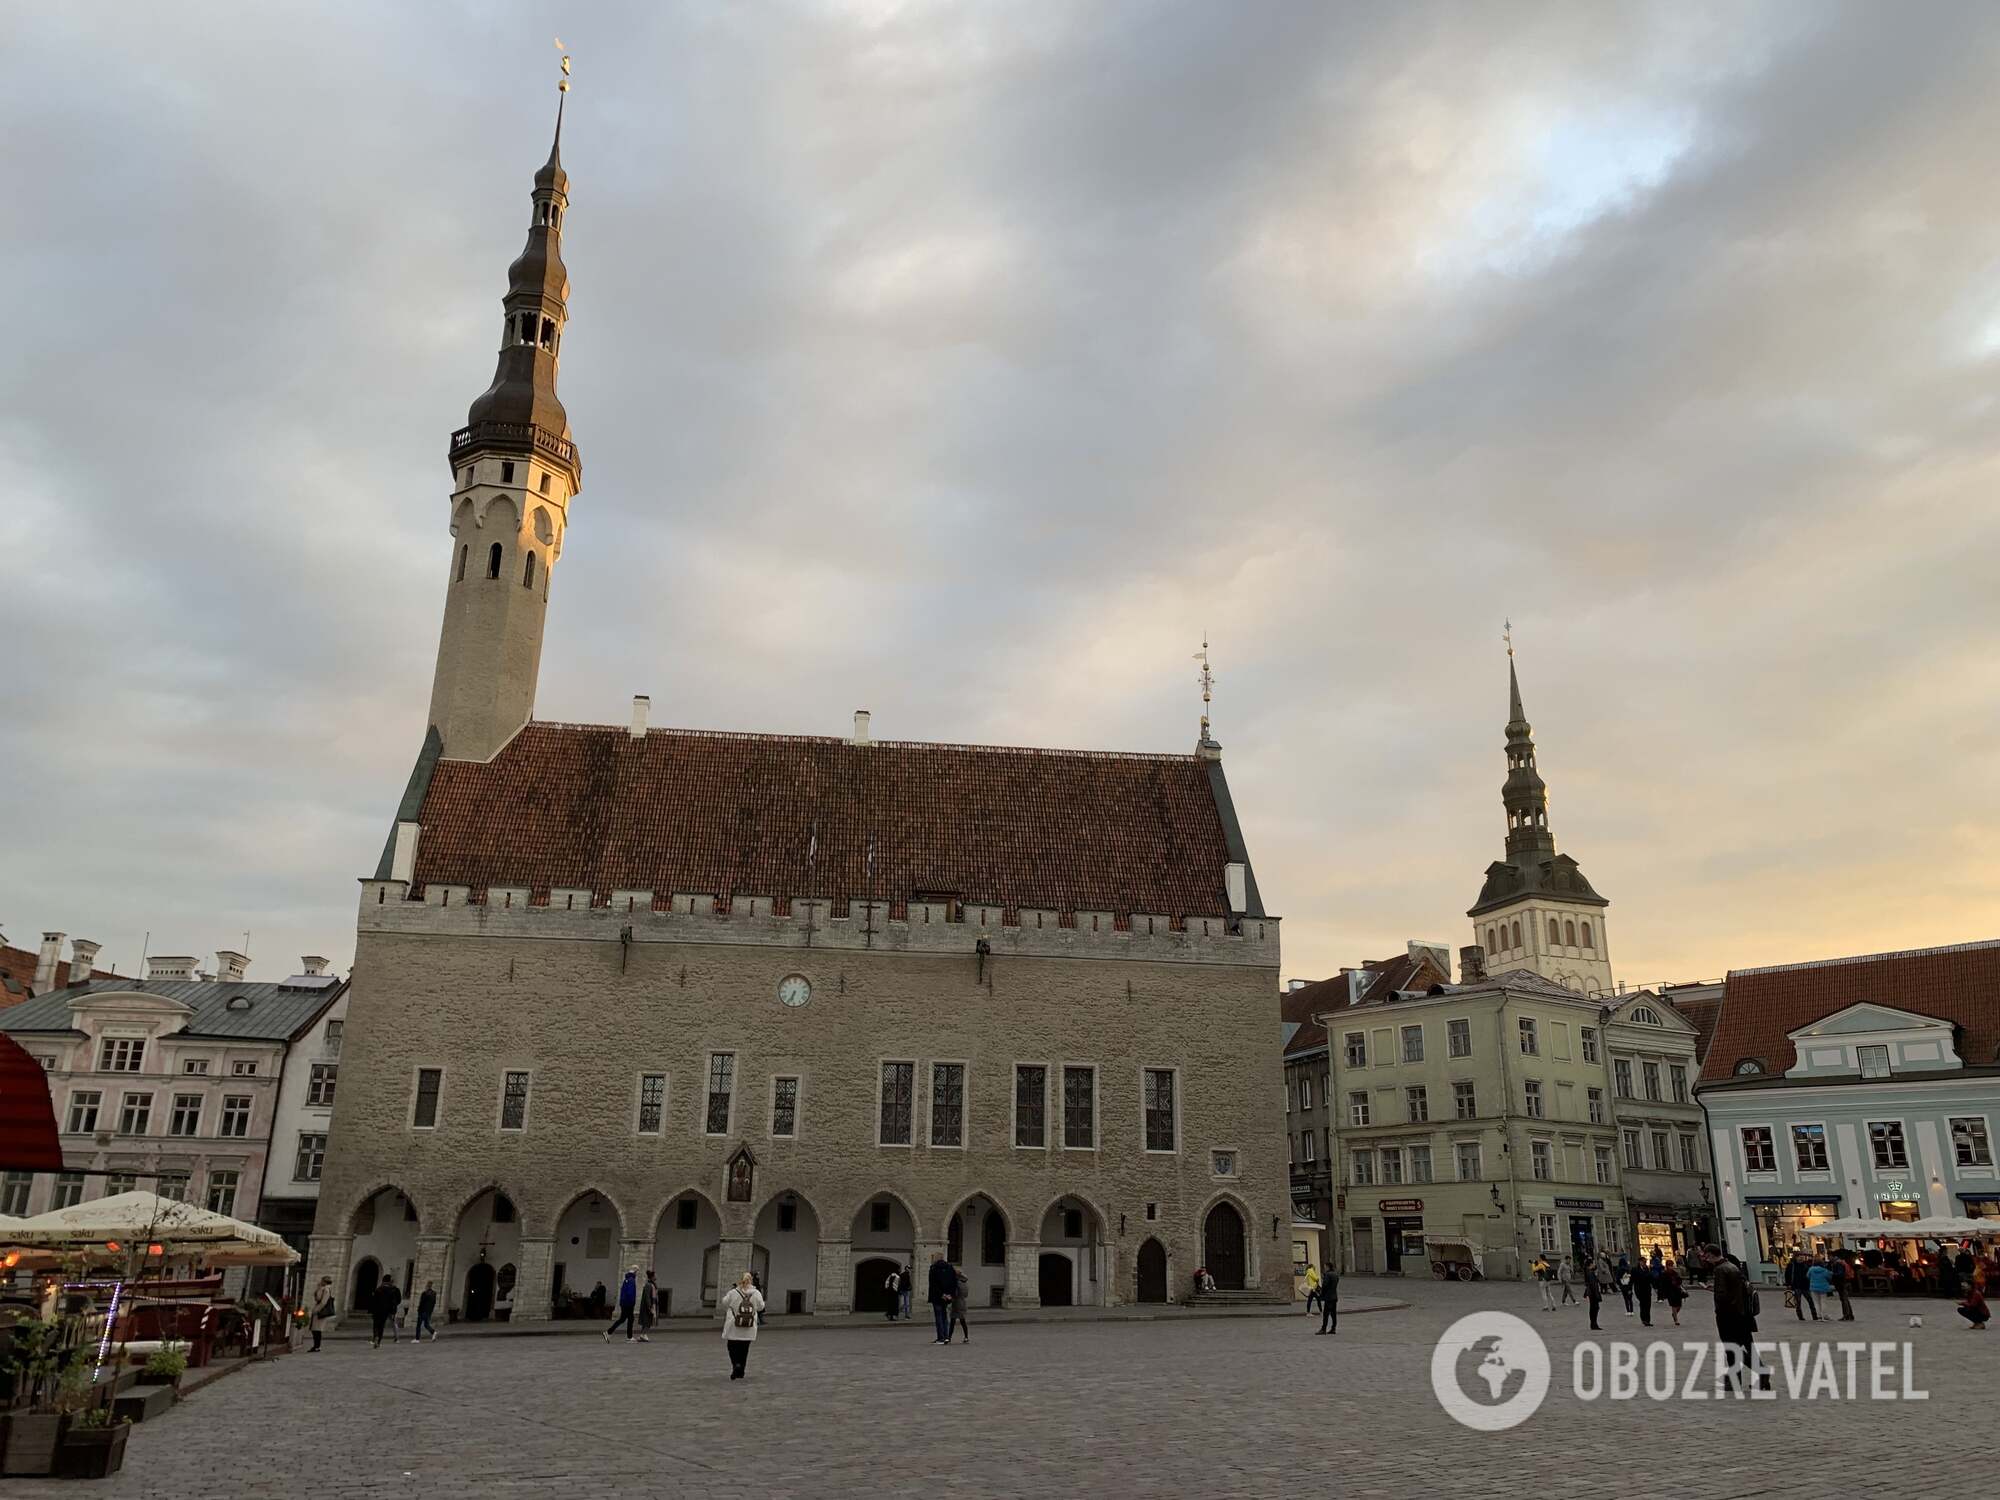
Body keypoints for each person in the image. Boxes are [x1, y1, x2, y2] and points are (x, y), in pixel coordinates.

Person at [1709, 1245, 1764, 1393]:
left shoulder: (1720, 1270)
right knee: (1748, 1346)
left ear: (1711, 1255)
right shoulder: (1733, 1266)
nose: (1705, 1259)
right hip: (1743, 1314)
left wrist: (1719, 1310)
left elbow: (1722, 1296)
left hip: (1729, 1316)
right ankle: (1757, 1378)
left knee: (1732, 1348)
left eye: (1706, 1256)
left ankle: (1756, 1375)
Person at [721, 1270, 765, 1378]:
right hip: (748, 1325)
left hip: (734, 1325)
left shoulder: (733, 1292)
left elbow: (724, 1302)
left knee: (732, 1347)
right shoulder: (756, 1293)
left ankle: (736, 1364)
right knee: (744, 1349)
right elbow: (761, 1307)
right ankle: (741, 1371)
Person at [927, 1252, 957, 1345]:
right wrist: (950, 1294)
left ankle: (941, 1338)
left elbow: (933, 1284)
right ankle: (947, 1337)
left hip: (937, 1296)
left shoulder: (934, 1268)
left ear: (936, 1258)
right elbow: (954, 1282)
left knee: (939, 1317)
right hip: (947, 1296)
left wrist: (941, 1294)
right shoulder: (950, 1267)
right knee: (945, 1316)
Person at [605, 1268, 639, 1342]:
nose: (637, 1274)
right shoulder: (631, 1280)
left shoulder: (626, 1280)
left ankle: (609, 1332)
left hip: (624, 1303)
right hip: (628, 1303)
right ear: (635, 1272)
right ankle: (628, 1337)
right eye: (637, 1272)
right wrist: (632, 1302)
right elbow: (630, 1293)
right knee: (628, 1319)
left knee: (624, 1319)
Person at [370, 1276, 402, 1348]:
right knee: (381, 1326)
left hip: (377, 1310)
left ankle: (376, 1336)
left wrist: (372, 1311)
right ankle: (378, 1341)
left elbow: (373, 1301)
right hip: (385, 1311)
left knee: (376, 1325)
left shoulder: (378, 1289)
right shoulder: (391, 1291)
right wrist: (393, 1311)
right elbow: (393, 1302)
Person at [1788, 1250, 1817, 1321]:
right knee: (1798, 1302)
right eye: (1799, 1256)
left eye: (1802, 1256)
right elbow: (1788, 1275)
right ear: (1796, 1257)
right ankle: (1800, 1316)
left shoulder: (1806, 1265)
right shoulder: (1792, 1265)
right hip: (1796, 1286)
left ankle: (1815, 1316)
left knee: (1810, 1301)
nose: (1801, 1258)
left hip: (1805, 1286)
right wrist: (1788, 1284)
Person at [309, 1277, 336, 1353]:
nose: (320, 1282)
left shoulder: (326, 1289)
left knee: (317, 1329)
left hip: (320, 1312)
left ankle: (317, 1346)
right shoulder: (323, 1289)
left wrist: (316, 1310)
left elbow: (323, 1301)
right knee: (315, 1329)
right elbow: (317, 1298)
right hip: (319, 1311)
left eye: (322, 1281)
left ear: (325, 1281)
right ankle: (316, 1346)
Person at [1658, 1259, 1685, 1326]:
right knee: (1674, 1305)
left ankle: (1674, 1314)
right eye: (1669, 1265)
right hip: (1670, 1291)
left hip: (1677, 1290)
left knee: (1679, 1305)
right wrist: (1662, 1293)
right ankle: (1676, 1320)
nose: (1671, 1267)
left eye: (1672, 1265)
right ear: (1667, 1266)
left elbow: (1679, 1281)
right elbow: (1662, 1284)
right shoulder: (1664, 1274)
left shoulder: (1675, 1273)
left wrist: (1679, 1284)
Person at [948, 1267, 972, 1344]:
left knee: (952, 1321)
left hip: (956, 1302)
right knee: (963, 1321)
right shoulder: (964, 1282)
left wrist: (950, 1297)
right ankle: (966, 1337)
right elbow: (966, 1294)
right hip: (963, 1302)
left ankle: (949, 1337)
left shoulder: (957, 1282)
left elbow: (955, 1293)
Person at [1806, 1257, 1833, 1322]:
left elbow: (1807, 1276)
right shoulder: (1824, 1270)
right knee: (1823, 1302)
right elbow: (1829, 1277)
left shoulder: (1811, 1269)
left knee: (1816, 1302)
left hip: (1813, 1287)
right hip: (1823, 1287)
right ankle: (1824, 1315)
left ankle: (1819, 1316)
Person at [1316, 1267, 1340, 1335]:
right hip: (1334, 1296)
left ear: (1327, 1267)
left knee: (1326, 1314)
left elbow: (1325, 1286)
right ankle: (1333, 1328)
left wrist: (1321, 1295)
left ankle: (1323, 1329)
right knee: (1333, 1314)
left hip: (1328, 1297)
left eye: (1325, 1266)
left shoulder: (1327, 1275)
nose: (1324, 1268)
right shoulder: (1336, 1274)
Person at [1832, 1253, 1855, 1321]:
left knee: (1844, 1300)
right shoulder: (1843, 1263)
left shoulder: (1838, 1264)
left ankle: (1846, 1315)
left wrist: (1833, 1274)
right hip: (1845, 1282)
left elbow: (1840, 1274)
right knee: (1845, 1300)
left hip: (1842, 1284)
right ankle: (1850, 1315)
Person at [1632, 1258, 1654, 1327]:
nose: (1645, 1263)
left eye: (1645, 1262)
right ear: (1640, 1262)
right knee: (1643, 1305)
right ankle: (1644, 1319)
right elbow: (1637, 1278)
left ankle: (1647, 1320)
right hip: (1640, 1290)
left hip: (1647, 1289)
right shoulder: (1635, 1269)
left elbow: (1650, 1277)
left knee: (1648, 1305)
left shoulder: (1647, 1268)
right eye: (1643, 1262)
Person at [637, 1270, 659, 1343]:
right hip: (649, 1306)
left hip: (652, 1304)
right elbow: (647, 1297)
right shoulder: (649, 1285)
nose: (656, 1276)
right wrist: (650, 1306)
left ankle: (642, 1334)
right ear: (652, 1277)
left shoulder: (652, 1284)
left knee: (647, 1321)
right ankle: (644, 1334)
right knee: (648, 1321)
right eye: (655, 1275)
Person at [1583, 1263, 1603, 1332]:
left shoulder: (1590, 1274)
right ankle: (1594, 1324)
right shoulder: (1591, 1274)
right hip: (1593, 1294)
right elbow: (1593, 1286)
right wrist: (1597, 1295)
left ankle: (1593, 1324)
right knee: (1594, 1309)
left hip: (1592, 1294)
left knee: (1594, 1309)